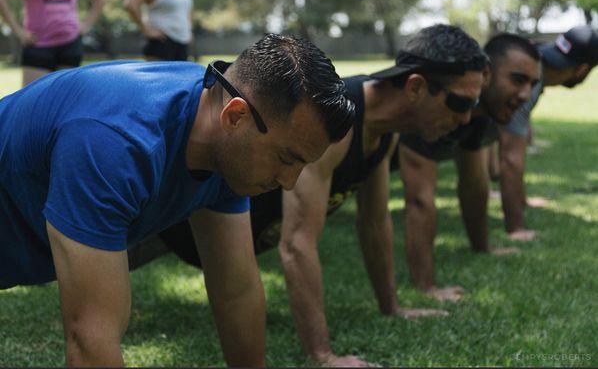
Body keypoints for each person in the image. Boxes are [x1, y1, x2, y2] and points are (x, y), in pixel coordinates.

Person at [129, 24, 488, 366]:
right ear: (415, 87)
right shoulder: (328, 123)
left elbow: (375, 223)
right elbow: (297, 245)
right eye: (459, 103)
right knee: (89, 266)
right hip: (173, 221)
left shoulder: (385, 131)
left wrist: (391, 307)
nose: (467, 119)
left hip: (224, 231)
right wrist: (323, 355)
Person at [0, 33, 354, 366]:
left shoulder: (225, 139)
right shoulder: (117, 143)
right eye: (286, 159)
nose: (289, 183)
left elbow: (236, 290)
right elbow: (90, 339)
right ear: (234, 116)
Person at [398, 33, 542, 302]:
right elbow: (419, 199)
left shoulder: (481, 115)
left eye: (533, 84)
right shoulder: (433, 104)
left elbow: (474, 185)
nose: (526, 94)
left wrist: (482, 247)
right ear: (486, 74)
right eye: (517, 80)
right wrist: (426, 287)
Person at [497, 25, 598, 241]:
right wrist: (517, 228)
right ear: (582, 70)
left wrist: (522, 201)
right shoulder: (530, 82)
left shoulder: (536, 67)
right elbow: (510, 159)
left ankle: (520, 202)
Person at [0, 0, 106, 86]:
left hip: (70, 45)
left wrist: (86, 25)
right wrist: (18, 31)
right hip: (38, 46)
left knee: (66, 100)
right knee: (34, 101)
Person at [124, 0, 193, 61]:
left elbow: (187, 7)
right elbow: (130, 4)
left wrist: (188, 30)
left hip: (182, 43)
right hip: (161, 42)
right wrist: (146, 30)